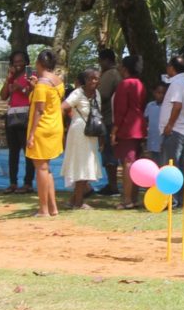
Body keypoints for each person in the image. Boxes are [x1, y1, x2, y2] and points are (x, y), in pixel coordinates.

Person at [25, 49, 65, 217]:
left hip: (42, 128)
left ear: (39, 63)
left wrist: (32, 134)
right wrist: (35, 87)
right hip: (55, 126)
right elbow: (51, 102)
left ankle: (43, 209)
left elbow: (39, 111)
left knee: (40, 168)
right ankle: (53, 208)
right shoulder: (57, 81)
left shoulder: (42, 84)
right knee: (46, 169)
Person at [61, 68, 103, 210]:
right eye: (91, 78)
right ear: (85, 80)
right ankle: (78, 202)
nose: (94, 81)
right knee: (81, 167)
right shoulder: (77, 93)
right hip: (79, 133)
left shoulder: (97, 94)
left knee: (87, 166)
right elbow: (63, 107)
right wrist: (68, 121)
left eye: (96, 78)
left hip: (91, 133)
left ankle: (74, 200)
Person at [111, 55, 146, 209]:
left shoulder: (125, 84)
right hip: (139, 126)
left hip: (127, 127)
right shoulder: (140, 84)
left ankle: (127, 200)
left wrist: (114, 130)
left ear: (125, 68)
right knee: (134, 163)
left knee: (127, 163)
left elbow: (120, 110)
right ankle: (134, 197)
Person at [159, 55, 184, 209]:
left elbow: (177, 106)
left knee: (171, 166)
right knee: (177, 166)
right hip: (181, 129)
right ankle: (178, 199)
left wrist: (169, 125)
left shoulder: (177, 84)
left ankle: (172, 200)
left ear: (172, 68)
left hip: (176, 129)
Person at [0, 49, 34, 194]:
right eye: (15, 62)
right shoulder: (12, 76)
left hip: (25, 114)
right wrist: (8, 79)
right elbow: (3, 96)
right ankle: (13, 182)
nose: (18, 64)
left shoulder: (30, 73)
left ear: (26, 61)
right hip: (12, 115)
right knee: (13, 151)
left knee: (27, 151)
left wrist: (22, 88)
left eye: (20, 61)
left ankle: (27, 183)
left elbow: (34, 92)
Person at [96, 48, 121, 196]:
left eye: (100, 61)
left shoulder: (110, 74)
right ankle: (112, 185)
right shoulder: (114, 73)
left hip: (108, 118)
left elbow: (102, 95)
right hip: (110, 118)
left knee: (109, 154)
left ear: (106, 60)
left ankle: (113, 186)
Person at [144, 81, 167, 163]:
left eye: (163, 93)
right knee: (153, 161)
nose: (161, 95)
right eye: (158, 92)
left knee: (163, 161)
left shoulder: (167, 107)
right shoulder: (150, 105)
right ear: (154, 93)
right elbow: (146, 119)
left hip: (162, 139)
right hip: (152, 138)